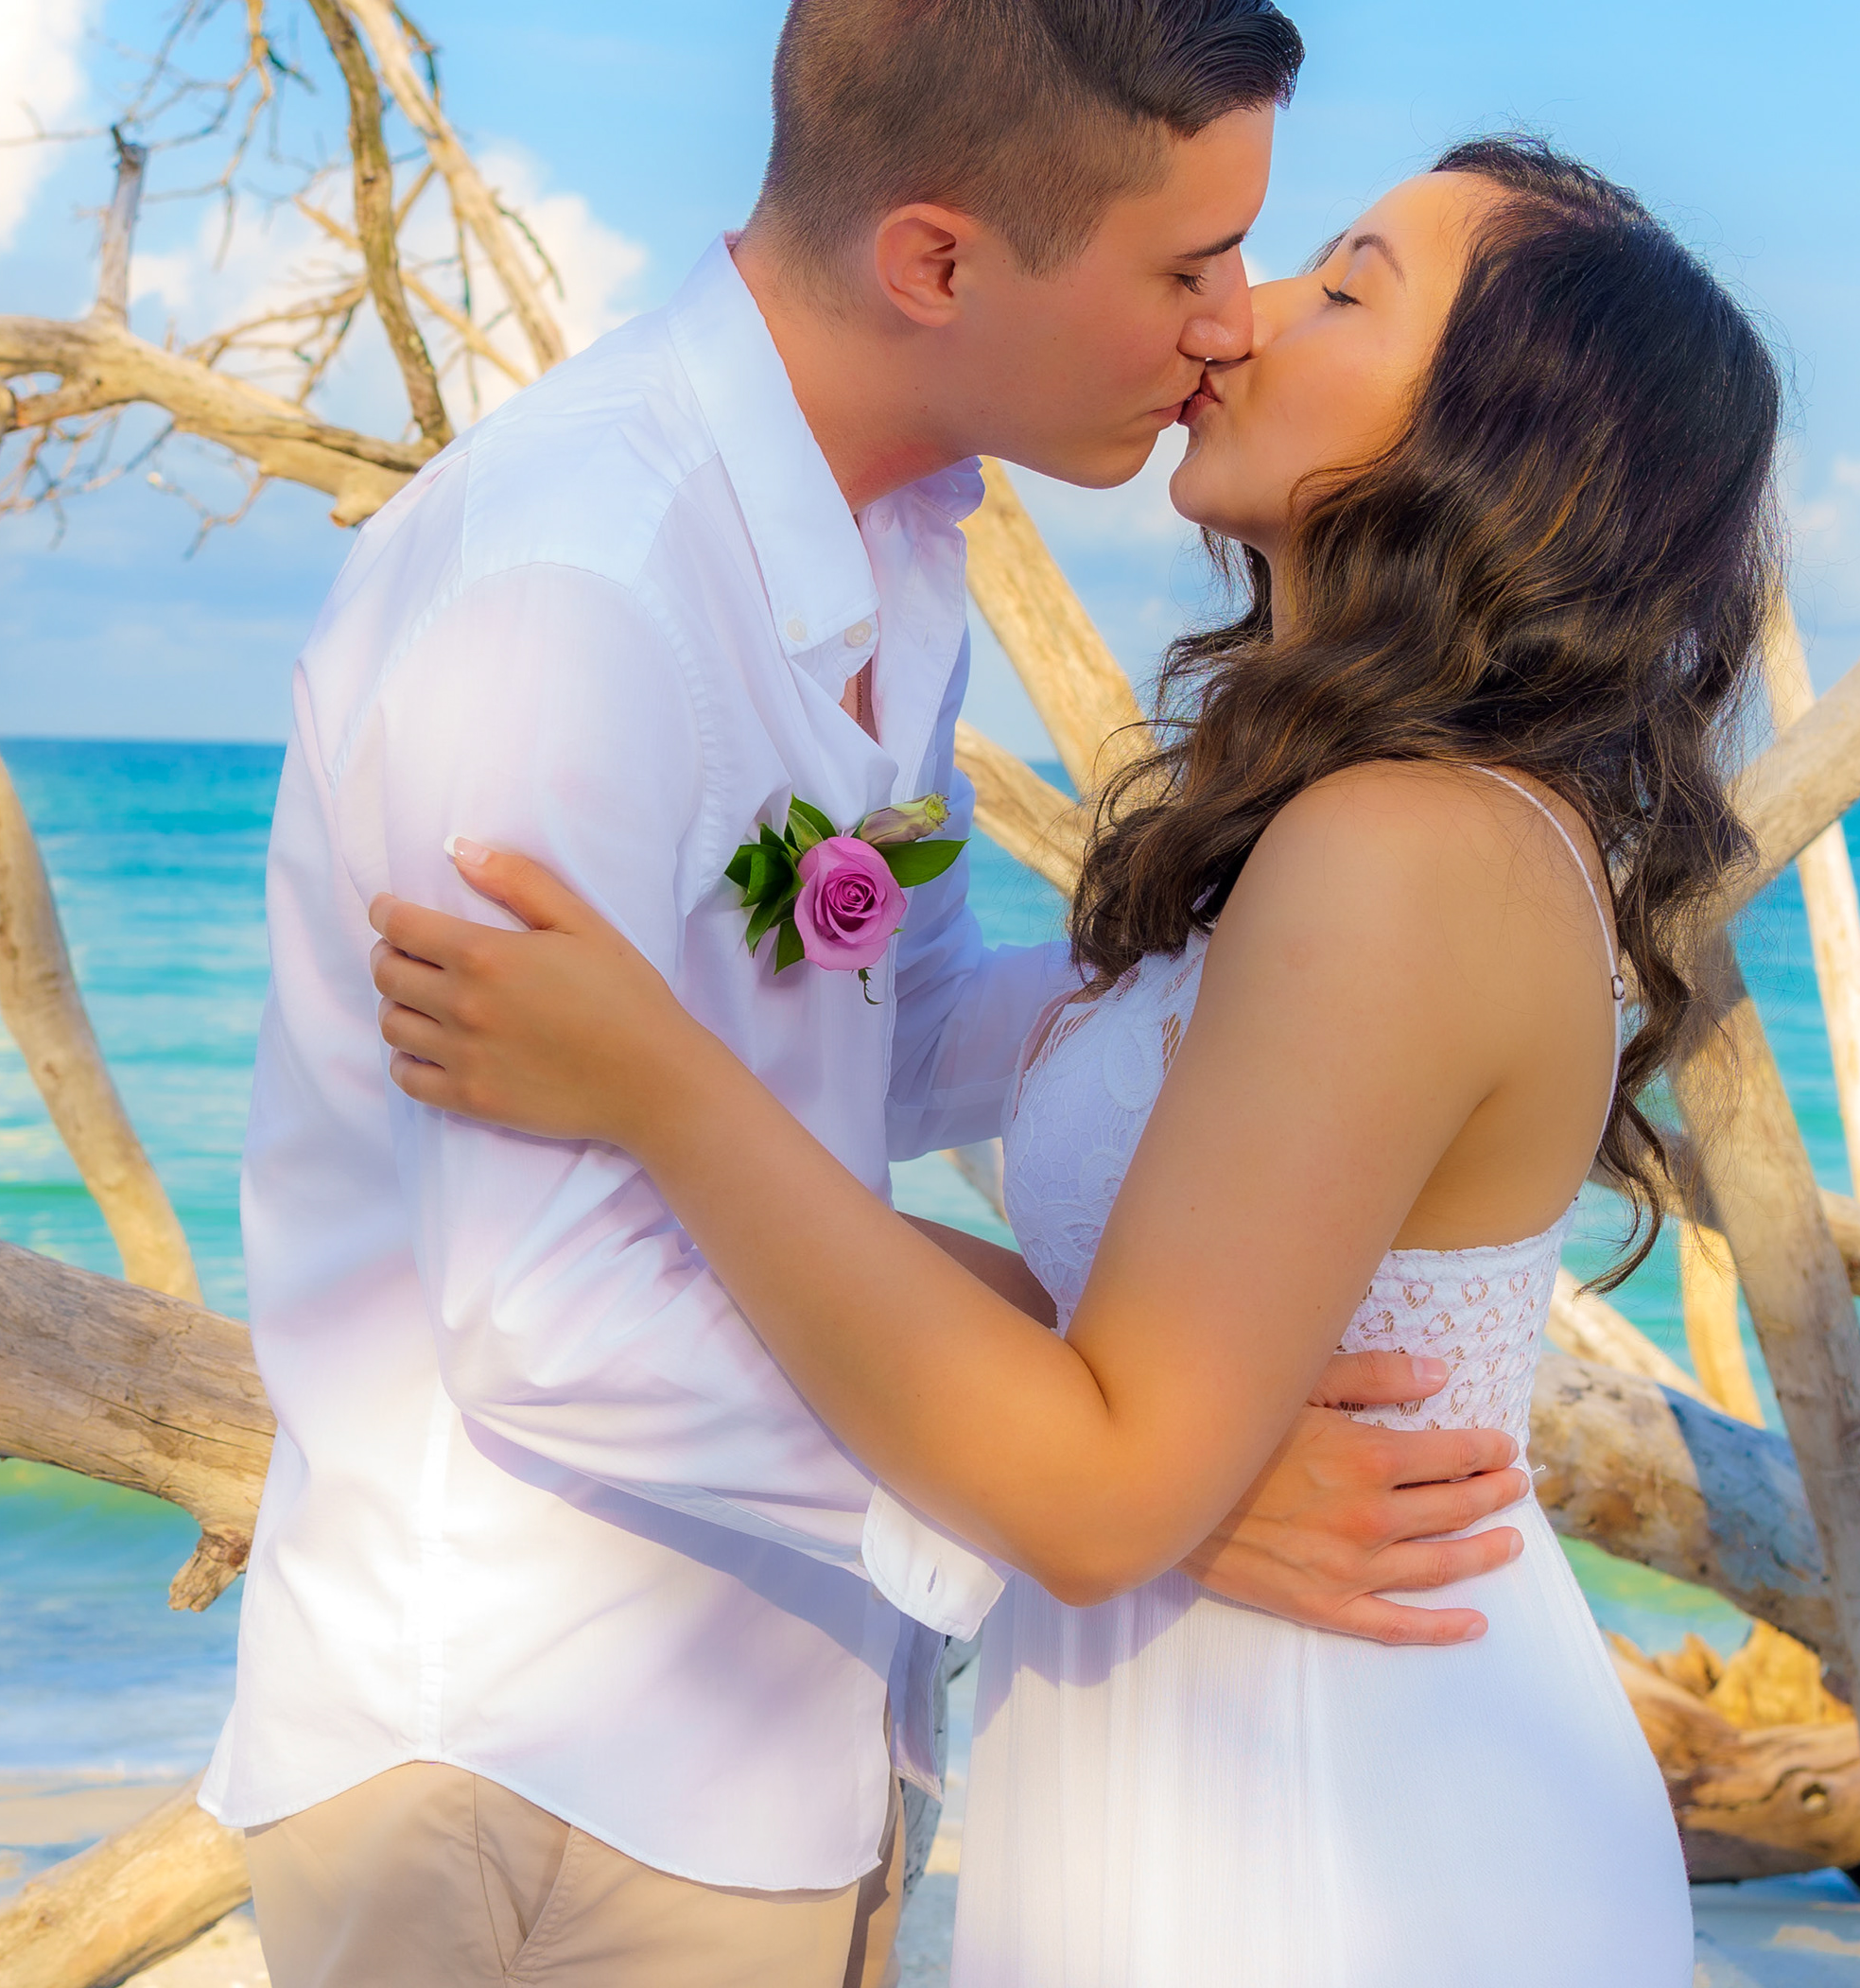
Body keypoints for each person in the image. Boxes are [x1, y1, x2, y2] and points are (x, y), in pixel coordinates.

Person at [201, 0, 1549, 1988]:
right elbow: (545, 1311)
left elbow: (881, 1021)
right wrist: (1116, 1498)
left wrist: (1242, 998)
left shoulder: (899, 542)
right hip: (535, 1761)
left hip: (790, 1732)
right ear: (937, 260)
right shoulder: (573, 603)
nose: (1228, 329)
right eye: (1189, 264)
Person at [372, 134, 1784, 1983]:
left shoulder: (1405, 850)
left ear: (1502, 443)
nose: (1244, 312)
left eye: (1344, 288)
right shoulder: (1381, 825)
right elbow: (1094, 1341)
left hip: (1343, 1817)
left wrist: (660, 1084)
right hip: (1243, 1749)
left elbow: (1106, 1486)